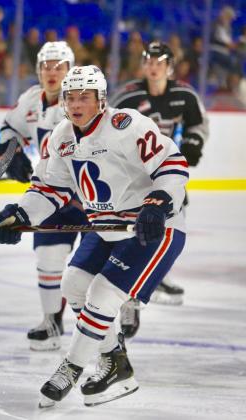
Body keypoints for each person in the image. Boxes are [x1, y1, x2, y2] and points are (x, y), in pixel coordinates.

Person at [0, 65, 187, 407]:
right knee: (73, 284)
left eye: (85, 97)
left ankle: (72, 366)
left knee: (103, 293)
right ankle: (116, 363)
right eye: (71, 97)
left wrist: (157, 203)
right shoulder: (61, 137)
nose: (77, 104)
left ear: (101, 99)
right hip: (105, 228)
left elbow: (173, 165)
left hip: (152, 227)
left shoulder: (127, 125)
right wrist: (20, 216)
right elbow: (49, 189)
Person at [0, 41, 87, 351]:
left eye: (59, 65)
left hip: (89, 196)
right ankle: (51, 321)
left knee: (93, 268)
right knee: (48, 259)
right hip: (51, 192)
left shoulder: (79, 101)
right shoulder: (31, 99)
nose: (52, 71)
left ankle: (106, 326)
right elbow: (9, 127)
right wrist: (9, 150)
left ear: (70, 70)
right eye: (46, 65)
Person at [110, 41, 208, 336]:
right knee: (128, 230)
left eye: (159, 61)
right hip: (132, 175)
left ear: (169, 66)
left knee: (174, 224)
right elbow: (106, 128)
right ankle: (131, 276)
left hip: (165, 170)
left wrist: (194, 142)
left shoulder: (184, 95)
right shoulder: (129, 95)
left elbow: (198, 125)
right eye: (148, 61)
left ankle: (151, 274)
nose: (152, 66)